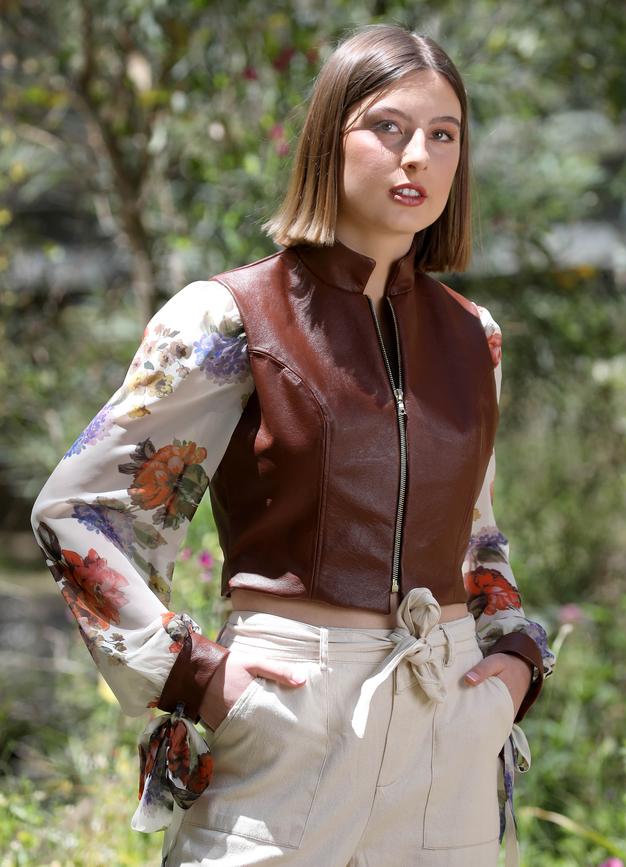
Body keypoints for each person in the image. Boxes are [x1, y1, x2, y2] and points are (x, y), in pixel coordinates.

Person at [30, 22, 556, 867]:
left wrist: (519, 659)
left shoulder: (474, 338)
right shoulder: (228, 318)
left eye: (442, 134)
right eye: (386, 126)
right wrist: (201, 677)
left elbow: (475, 538)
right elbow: (81, 513)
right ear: (328, 138)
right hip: (287, 719)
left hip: (450, 726)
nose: (416, 154)